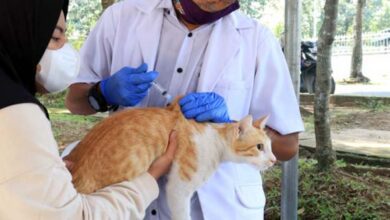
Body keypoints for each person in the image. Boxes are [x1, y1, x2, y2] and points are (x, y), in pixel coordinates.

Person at [66, 0, 305, 219]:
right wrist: (102, 93)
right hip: (122, 199)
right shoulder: (121, 17)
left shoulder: (256, 39)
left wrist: (231, 126)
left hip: (213, 208)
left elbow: (288, 145)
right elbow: (74, 102)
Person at [0, 0, 177, 219]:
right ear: (19, 31)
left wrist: (39, 171)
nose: (66, 46)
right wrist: (150, 179)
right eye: (55, 37)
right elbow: (75, 216)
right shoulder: (16, 113)